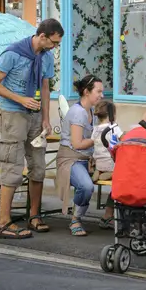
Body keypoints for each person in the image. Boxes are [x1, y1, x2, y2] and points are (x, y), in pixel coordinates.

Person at [0, 18, 62, 239]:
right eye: (54, 42)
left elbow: (45, 86)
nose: (55, 47)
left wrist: (46, 118)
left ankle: (34, 215)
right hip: (13, 113)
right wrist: (20, 99)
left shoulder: (46, 57)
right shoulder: (12, 53)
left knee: (38, 166)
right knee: (12, 166)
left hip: (36, 115)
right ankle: (3, 223)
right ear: (42, 36)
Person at [55, 75, 104, 237]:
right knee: (86, 186)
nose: (101, 95)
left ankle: (109, 216)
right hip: (71, 159)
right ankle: (76, 219)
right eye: (98, 91)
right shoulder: (78, 113)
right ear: (86, 92)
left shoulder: (93, 111)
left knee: (121, 176)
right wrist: (98, 138)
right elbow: (77, 144)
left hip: (86, 159)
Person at [92, 99, 120, 229]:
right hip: (110, 162)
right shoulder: (114, 128)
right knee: (122, 180)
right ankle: (110, 173)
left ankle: (99, 172)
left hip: (99, 162)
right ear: (111, 115)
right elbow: (122, 140)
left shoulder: (96, 129)